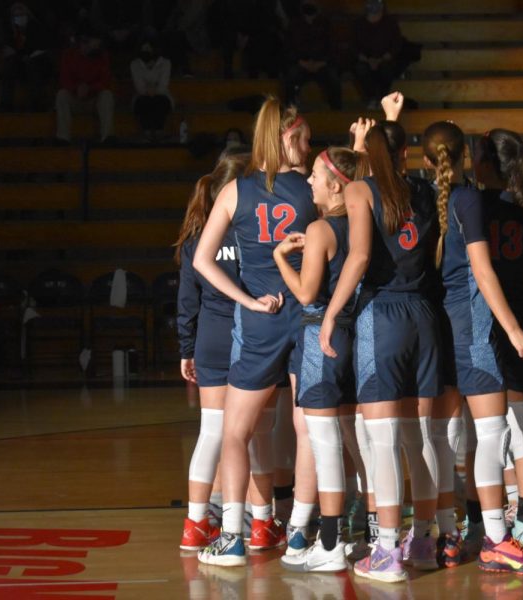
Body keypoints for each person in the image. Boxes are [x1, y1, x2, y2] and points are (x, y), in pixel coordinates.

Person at [423, 121, 523, 575]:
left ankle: (447, 530)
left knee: (445, 434)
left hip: (443, 320)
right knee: (494, 434)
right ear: (464, 158)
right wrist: (514, 328)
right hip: (476, 321)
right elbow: (483, 271)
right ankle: (499, 537)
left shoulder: (435, 198)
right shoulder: (472, 200)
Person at [193, 97, 316, 568]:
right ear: (286, 136)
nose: (308, 146)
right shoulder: (310, 189)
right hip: (306, 315)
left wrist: (245, 299)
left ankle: (232, 535)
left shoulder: (236, 192)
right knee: (310, 430)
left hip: (263, 320)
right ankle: (302, 534)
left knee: (234, 432)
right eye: (303, 138)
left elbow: (202, 260)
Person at [319, 121, 441, 583]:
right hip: (424, 315)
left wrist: (331, 313)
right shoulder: (426, 192)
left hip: (382, 315)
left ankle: (388, 550)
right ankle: (424, 541)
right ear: (406, 151)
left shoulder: (361, 192)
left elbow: (360, 258)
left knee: (383, 440)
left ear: (367, 156)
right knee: (420, 437)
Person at [273, 146, 369, 573]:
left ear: (335, 185)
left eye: (314, 175)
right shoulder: (364, 223)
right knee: (355, 438)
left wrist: (280, 259)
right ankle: (359, 532)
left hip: (319, 334)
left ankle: (329, 541)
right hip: (357, 330)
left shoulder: (320, 229)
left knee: (324, 439)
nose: (308, 180)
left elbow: (308, 293)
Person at [175, 153, 247, 550]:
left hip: (210, 339)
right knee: (248, 436)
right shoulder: (251, 234)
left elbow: (187, 298)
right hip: (249, 338)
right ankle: (254, 520)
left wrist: (186, 347)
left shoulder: (195, 237)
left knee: (212, 433)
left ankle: (197, 522)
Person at [55, 30, 115, 144]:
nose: (96, 48)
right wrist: (76, 88)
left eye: (97, 46)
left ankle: (108, 137)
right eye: (94, 45)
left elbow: (105, 81)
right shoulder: (69, 55)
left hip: (94, 100)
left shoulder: (102, 55)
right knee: (61, 95)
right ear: (83, 43)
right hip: (75, 98)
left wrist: (90, 88)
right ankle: (63, 137)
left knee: (107, 95)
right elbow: (64, 79)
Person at [282, 0, 341, 110]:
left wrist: (322, 62)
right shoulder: (294, 24)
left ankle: (336, 112)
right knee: (290, 78)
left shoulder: (325, 24)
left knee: (334, 80)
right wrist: (300, 62)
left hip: (322, 64)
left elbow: (332, 47)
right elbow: (288, 48)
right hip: (300, 63)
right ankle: (289, 110)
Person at [0, 2, 53, 111]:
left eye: (22, 15)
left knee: (32, 64)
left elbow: (35, 48)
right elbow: (10, 50)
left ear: (27, 15)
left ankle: (35, 104)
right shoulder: (10, 31)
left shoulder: (36, 27)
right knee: (9, 65)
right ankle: (6, 105)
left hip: (37, 65)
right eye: (16, 16)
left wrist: (21, 53)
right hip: (20, 66)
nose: (19, 18)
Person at [353, 0, 403, 109]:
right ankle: (371, 98)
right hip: (365, 60)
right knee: (361, 70)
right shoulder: (359, 24)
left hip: (385, 59)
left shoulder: (390, 23)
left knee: (387, 69)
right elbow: (354, 46)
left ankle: (382, 98)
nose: (374, 18)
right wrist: (366, 59)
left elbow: (396, 44)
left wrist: (384, 57)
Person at [130, 38, 174, 141]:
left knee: (159, 101)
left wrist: (153, 89)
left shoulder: (166, 63)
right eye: (144, 48)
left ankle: (159, 131)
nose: (146, 51)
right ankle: (146, 132)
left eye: (148, 48)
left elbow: (163, 86)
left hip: (162, 96)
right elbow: (139, 87)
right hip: (141, 96)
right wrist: (149, 90)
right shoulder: (135, 64)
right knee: (144, 101)